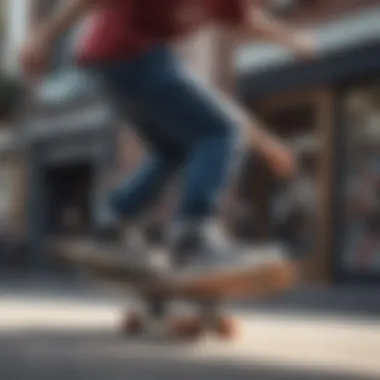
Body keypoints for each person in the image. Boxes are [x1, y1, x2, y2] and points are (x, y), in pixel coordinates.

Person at [20, 0, 316, 276]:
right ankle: (193, 235)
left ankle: (115, 220)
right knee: (221, 130)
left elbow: (250, 20)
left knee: (175, 147)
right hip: (129, 56)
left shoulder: (227, 4)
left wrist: (290, 38)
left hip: (119, 66)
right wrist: (43, 36)